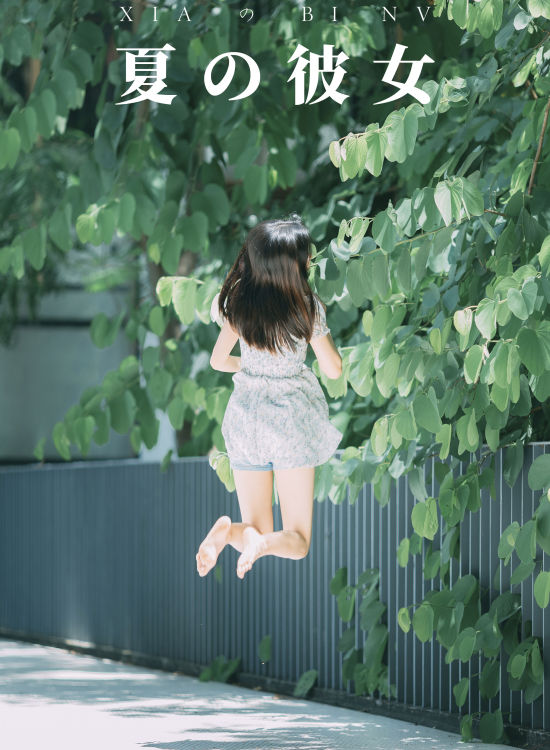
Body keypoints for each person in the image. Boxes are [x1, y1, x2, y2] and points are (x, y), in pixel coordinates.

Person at [195, 213, 343, 580]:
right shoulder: (306, 308)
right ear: (294, 266)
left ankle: (230, 534)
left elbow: (217, 361)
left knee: (254, 528)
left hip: (246, 421)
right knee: (298, 540)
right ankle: (258, 543)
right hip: (290, 421)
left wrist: (250, 368)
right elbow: (334, 369)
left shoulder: (239, 304)